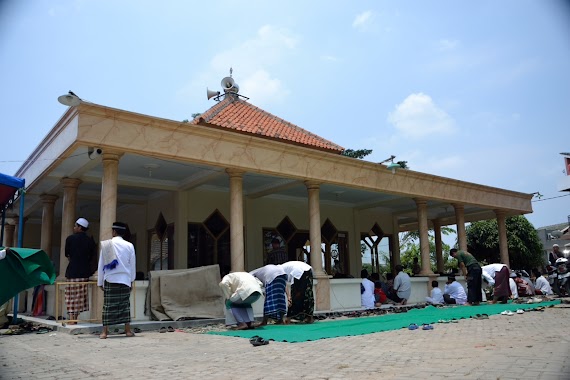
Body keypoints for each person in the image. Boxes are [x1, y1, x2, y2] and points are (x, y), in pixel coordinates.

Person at [97, 222, 136, 339]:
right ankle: (128, 331)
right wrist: (131, 280)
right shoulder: (129, 246)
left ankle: (104, 333)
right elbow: (132, 265)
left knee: (108, 307)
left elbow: (101, 265)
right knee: (125, 306)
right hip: (124, 280)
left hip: (110, 279)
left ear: (114, 232)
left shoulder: (107, 245)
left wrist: (100, 282)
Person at [64, 217, 96, 325]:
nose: (74, 228)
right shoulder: (90, 241)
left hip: (72, 271)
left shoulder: (70, 239)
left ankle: (71, 317)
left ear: (79, 227)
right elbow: (91, 257)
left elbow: (67, 255)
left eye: (75, 226)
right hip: (84, 272)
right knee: (79, 296)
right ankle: (75, 318)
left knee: (70, 296)